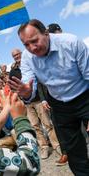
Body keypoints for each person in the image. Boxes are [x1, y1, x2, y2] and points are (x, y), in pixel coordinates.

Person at [8, 19, 89, 175]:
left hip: (85, 96)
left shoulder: (71, 43)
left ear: (46, 33)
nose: (32, 48)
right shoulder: (27, 57)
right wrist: (26, 93)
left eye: (34, 41)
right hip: (59, 105)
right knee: (74, 153)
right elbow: (28, 85)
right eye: (26, 44)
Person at [46, 23, 68, 166]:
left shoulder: (71, 45)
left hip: (78, 94)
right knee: (59, 127)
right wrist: (43, 99)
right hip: (54, 98)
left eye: (53, 33)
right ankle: (66, 153)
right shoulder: (44, 52)